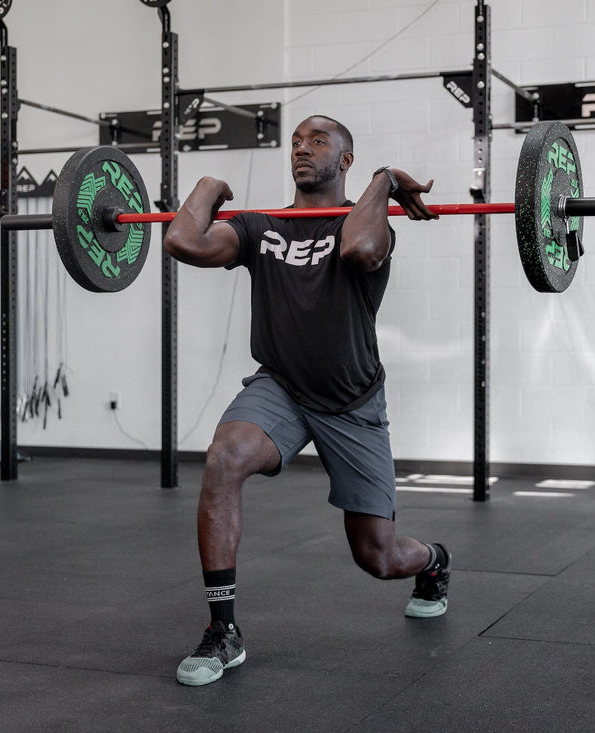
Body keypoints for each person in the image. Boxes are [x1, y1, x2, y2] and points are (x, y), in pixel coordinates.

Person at [163, 115, 452, 687]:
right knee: (224, 458)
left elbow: (361, 251)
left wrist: (385, 180)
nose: (302, 148)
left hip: (351, 401)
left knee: (378, 557)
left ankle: (436, 561)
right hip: (282, 388)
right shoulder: (259, 226)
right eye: (296, 141)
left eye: (318, 141)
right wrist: (209, 188)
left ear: (345, 160)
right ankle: (224, 633)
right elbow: (182, 241)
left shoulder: (367, 223)